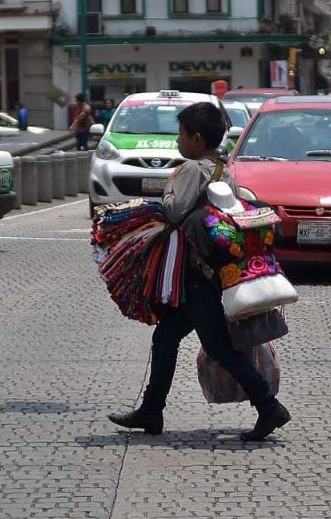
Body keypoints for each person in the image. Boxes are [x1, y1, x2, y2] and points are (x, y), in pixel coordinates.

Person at [108, 102, 291, 442]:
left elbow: (174, 212)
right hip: (208, 273)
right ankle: (151, 410)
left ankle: (269, 406)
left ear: (195, 138)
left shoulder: (191, 169)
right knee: (166, 336)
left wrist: (170, 185)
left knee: (219, 347)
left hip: (199, 278)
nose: (177, 140)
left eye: (180, 134)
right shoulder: (224, 170)